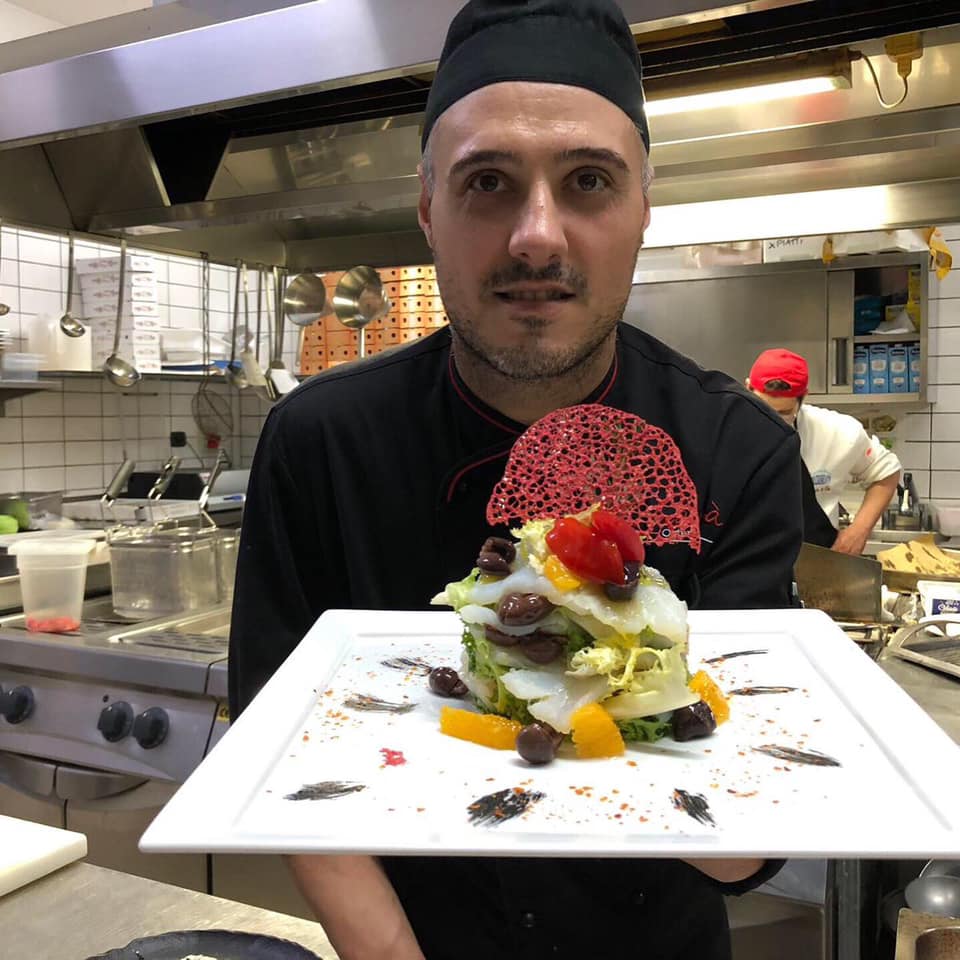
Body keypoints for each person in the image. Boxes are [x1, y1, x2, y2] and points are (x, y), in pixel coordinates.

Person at [229, 2, 804, 957]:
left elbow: (742, 849)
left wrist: (624, 654)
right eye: (487, 182)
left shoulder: (737, 447)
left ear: (644, 207)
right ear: (428, 209)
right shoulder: (320, 440)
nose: (537, 236)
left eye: (589, 181)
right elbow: (278, 746)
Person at [747, 348, 902, 555]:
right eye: (762, 409)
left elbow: (886, 472)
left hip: (815, 561)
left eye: (784, 413)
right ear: (747, 388)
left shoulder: (837, 432)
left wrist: (859, 530)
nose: (771, 420)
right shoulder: (723, 431)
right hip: (746, 561)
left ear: (804, 397)